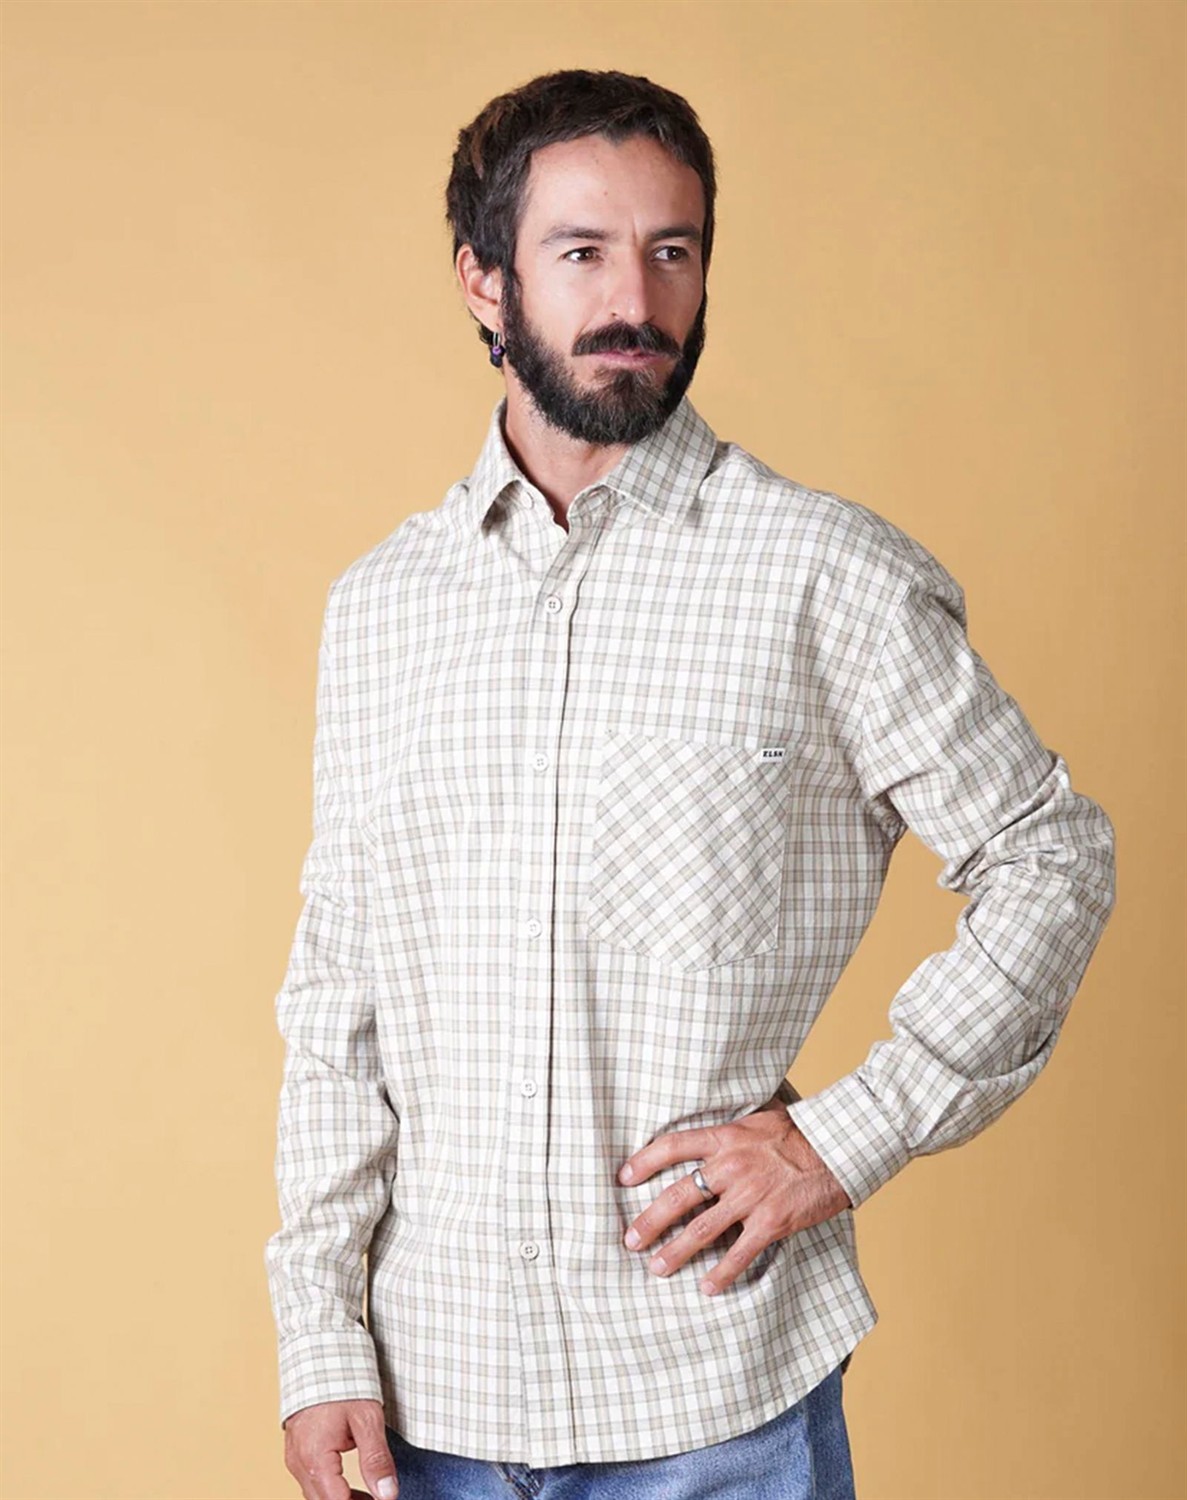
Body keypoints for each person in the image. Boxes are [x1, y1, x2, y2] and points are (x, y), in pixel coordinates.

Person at [264, 68, 1116, 1500]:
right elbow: (338, 997)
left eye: (674, 250)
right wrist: (317, 1334)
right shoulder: (382, 608)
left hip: (718, 1408)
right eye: (581, 251)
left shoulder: (824, 575)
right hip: (426, 1405)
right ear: (483, 281)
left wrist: (842, 1138)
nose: (636, 300)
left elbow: (1052, 855)